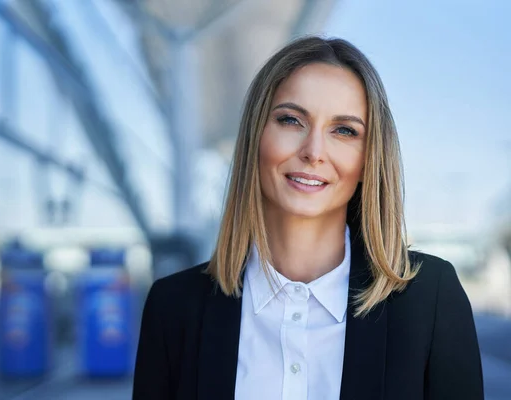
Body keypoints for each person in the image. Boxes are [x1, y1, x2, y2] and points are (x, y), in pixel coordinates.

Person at [132, 36, 484, 400]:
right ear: (256, 137)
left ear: (368, 159)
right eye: (291, 120)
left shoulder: (429, 299)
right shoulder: (173, 308)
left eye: (344, 130)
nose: (314, 152)